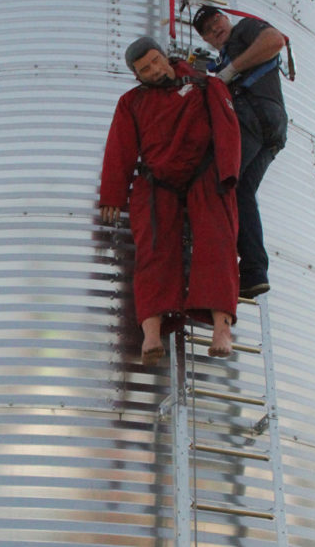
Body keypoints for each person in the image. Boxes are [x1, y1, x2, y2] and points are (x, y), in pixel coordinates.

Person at [99, 37, 241, 364]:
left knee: (218, 241)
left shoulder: (205, 84)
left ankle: (222, 329)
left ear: (165, 57)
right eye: (144, 69)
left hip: (206, 172)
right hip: (156, 178)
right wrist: (112, 193)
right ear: (137, 76)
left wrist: (228, 172)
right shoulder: (132, 102)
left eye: (155, 62)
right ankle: (151, 332)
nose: (153, 70)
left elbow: (227, 127)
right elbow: (119, 147)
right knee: (153, 249)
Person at [192, 6, 288, 299]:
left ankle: (213, 270)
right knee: (241, 192)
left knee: (215, 183)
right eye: (208, 30)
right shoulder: (222, 59)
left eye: (216, 20)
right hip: (272, 131)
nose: (215, 29)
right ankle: (254, 273)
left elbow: (275, 40)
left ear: (226, 18)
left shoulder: (246, 29)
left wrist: (231, 71)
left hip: (254, 115)